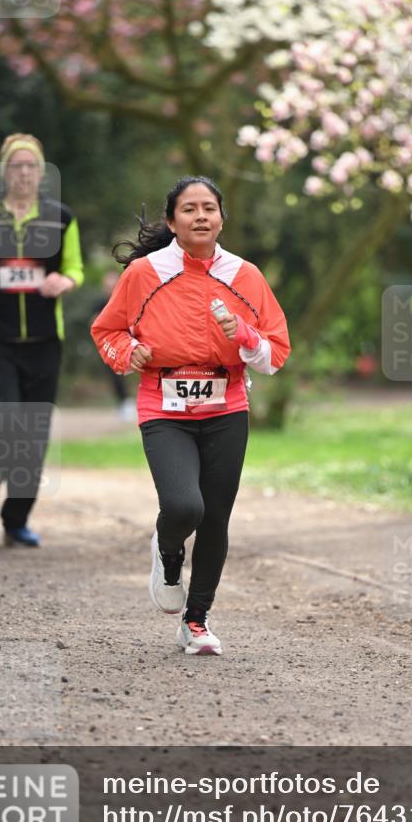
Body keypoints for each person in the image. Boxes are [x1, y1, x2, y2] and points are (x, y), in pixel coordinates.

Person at [91, 176, 290, 656]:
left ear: (222, 218)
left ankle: (196, 621)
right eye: (189, 209)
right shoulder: (144, 273)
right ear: (171, 220)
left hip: (227, 406)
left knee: (216, 518)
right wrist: (128, 353)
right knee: (185, 507)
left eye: (209, 208)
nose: (200, 216)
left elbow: (275, 354)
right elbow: (107, 331)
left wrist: (241, 331)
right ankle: (167, 550)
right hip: (165, 406)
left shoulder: (246, 276)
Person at [0, 133, 84, 546]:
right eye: (16, 166)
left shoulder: (61, 218)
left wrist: (64, 280)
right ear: (4, 172)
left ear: (41, 173)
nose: (24, 173)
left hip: (44, 340)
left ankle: (16, 520)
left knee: (34, 434)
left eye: (31, 166)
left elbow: (75, 268)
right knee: (4, 419)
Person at [91, 270, 137, 422]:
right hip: (109, 346)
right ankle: (123, 403)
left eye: (112, 283)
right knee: (115, 375)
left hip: (130, 343)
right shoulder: (100, 303)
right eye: (107, 284)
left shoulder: (128, 300)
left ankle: (130, 403)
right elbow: (95, 324)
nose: (109, 287)